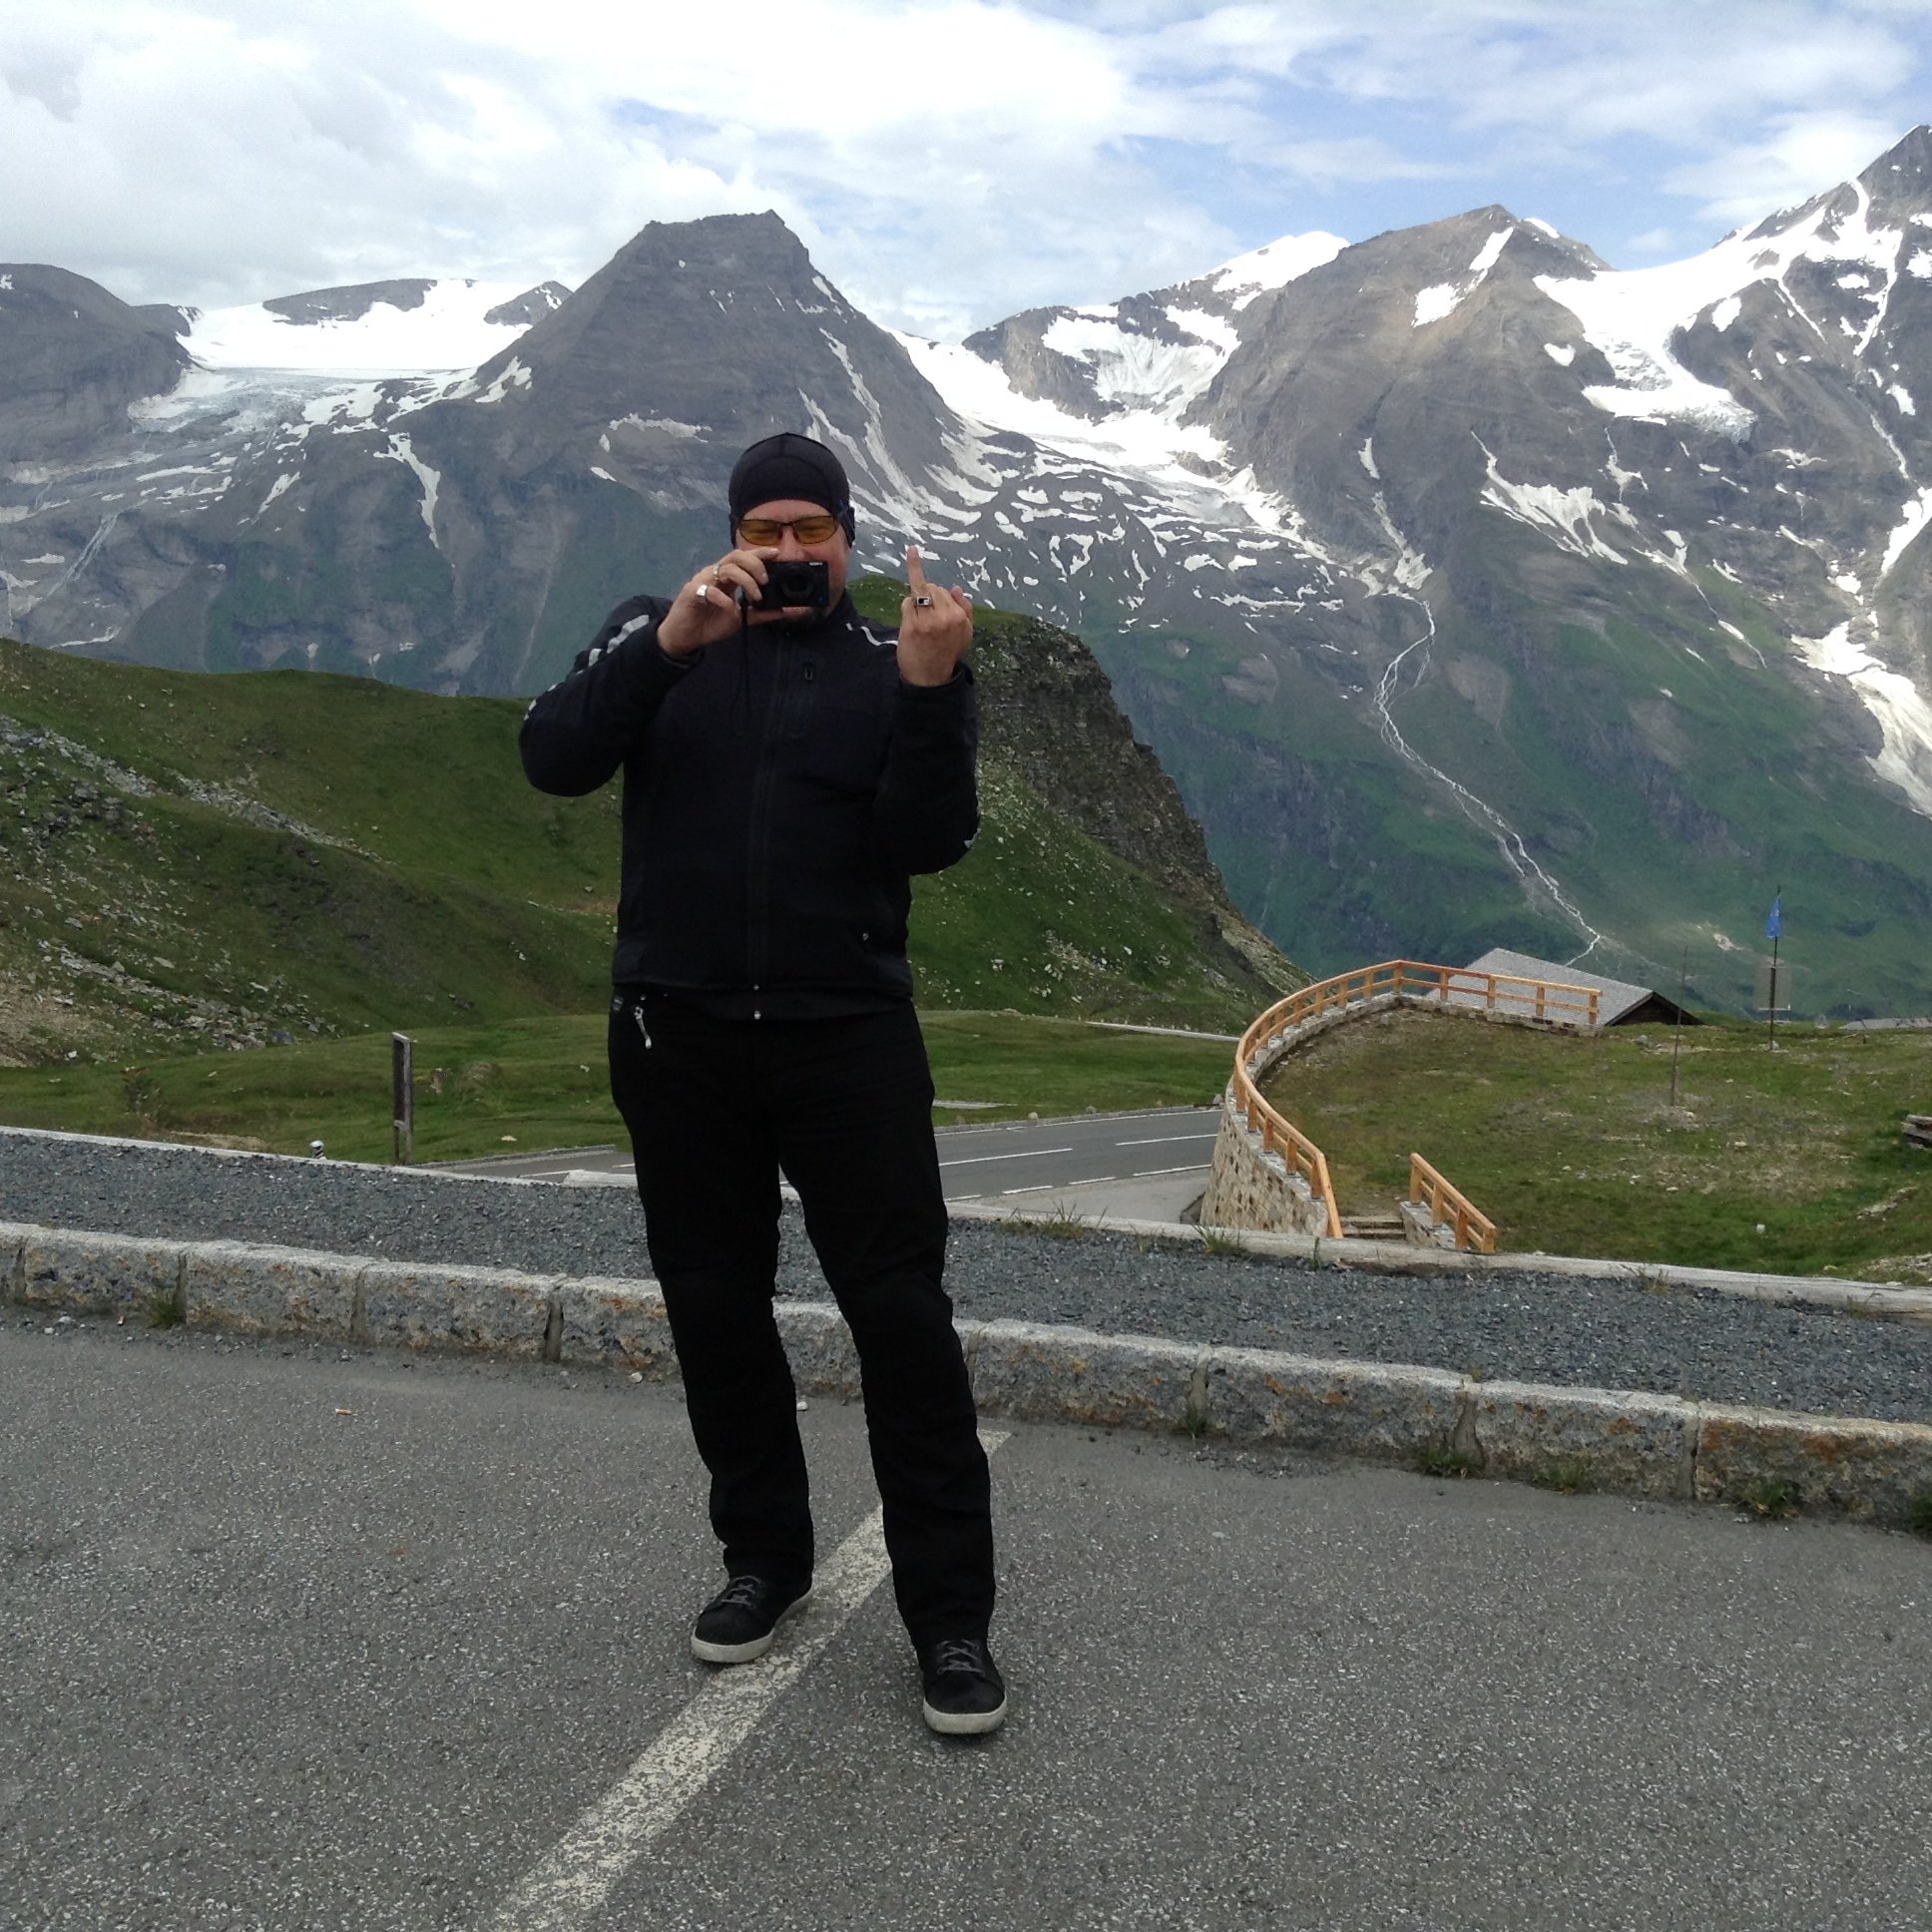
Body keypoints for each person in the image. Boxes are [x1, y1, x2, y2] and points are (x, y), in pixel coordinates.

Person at [519, 432, 1003, 1735]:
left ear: (849, 539)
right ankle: (765, 1560)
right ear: (733, 534)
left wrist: (929, 692)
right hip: (677, 1035)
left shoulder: (896, 657)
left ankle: (951, 1620)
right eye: (765, 530)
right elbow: (552, 755)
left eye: (813, 532)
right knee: (715, 1307)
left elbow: (931, 839)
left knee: (900, 1318)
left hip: (847, 1038)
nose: (789, 553)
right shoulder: (659, 632)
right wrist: (671, 643)